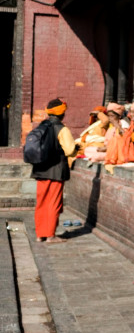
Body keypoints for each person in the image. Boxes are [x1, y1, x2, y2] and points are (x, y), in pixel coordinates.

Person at [31, 98, 79, 243]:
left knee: (41, 202)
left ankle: (40, 235)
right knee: (53, 203)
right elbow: (70, 150)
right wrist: (76, 147)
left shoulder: (41, 126)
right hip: (56, 171)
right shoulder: (62, 128)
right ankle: (50, 235)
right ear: (62, 113)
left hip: (41, 169)